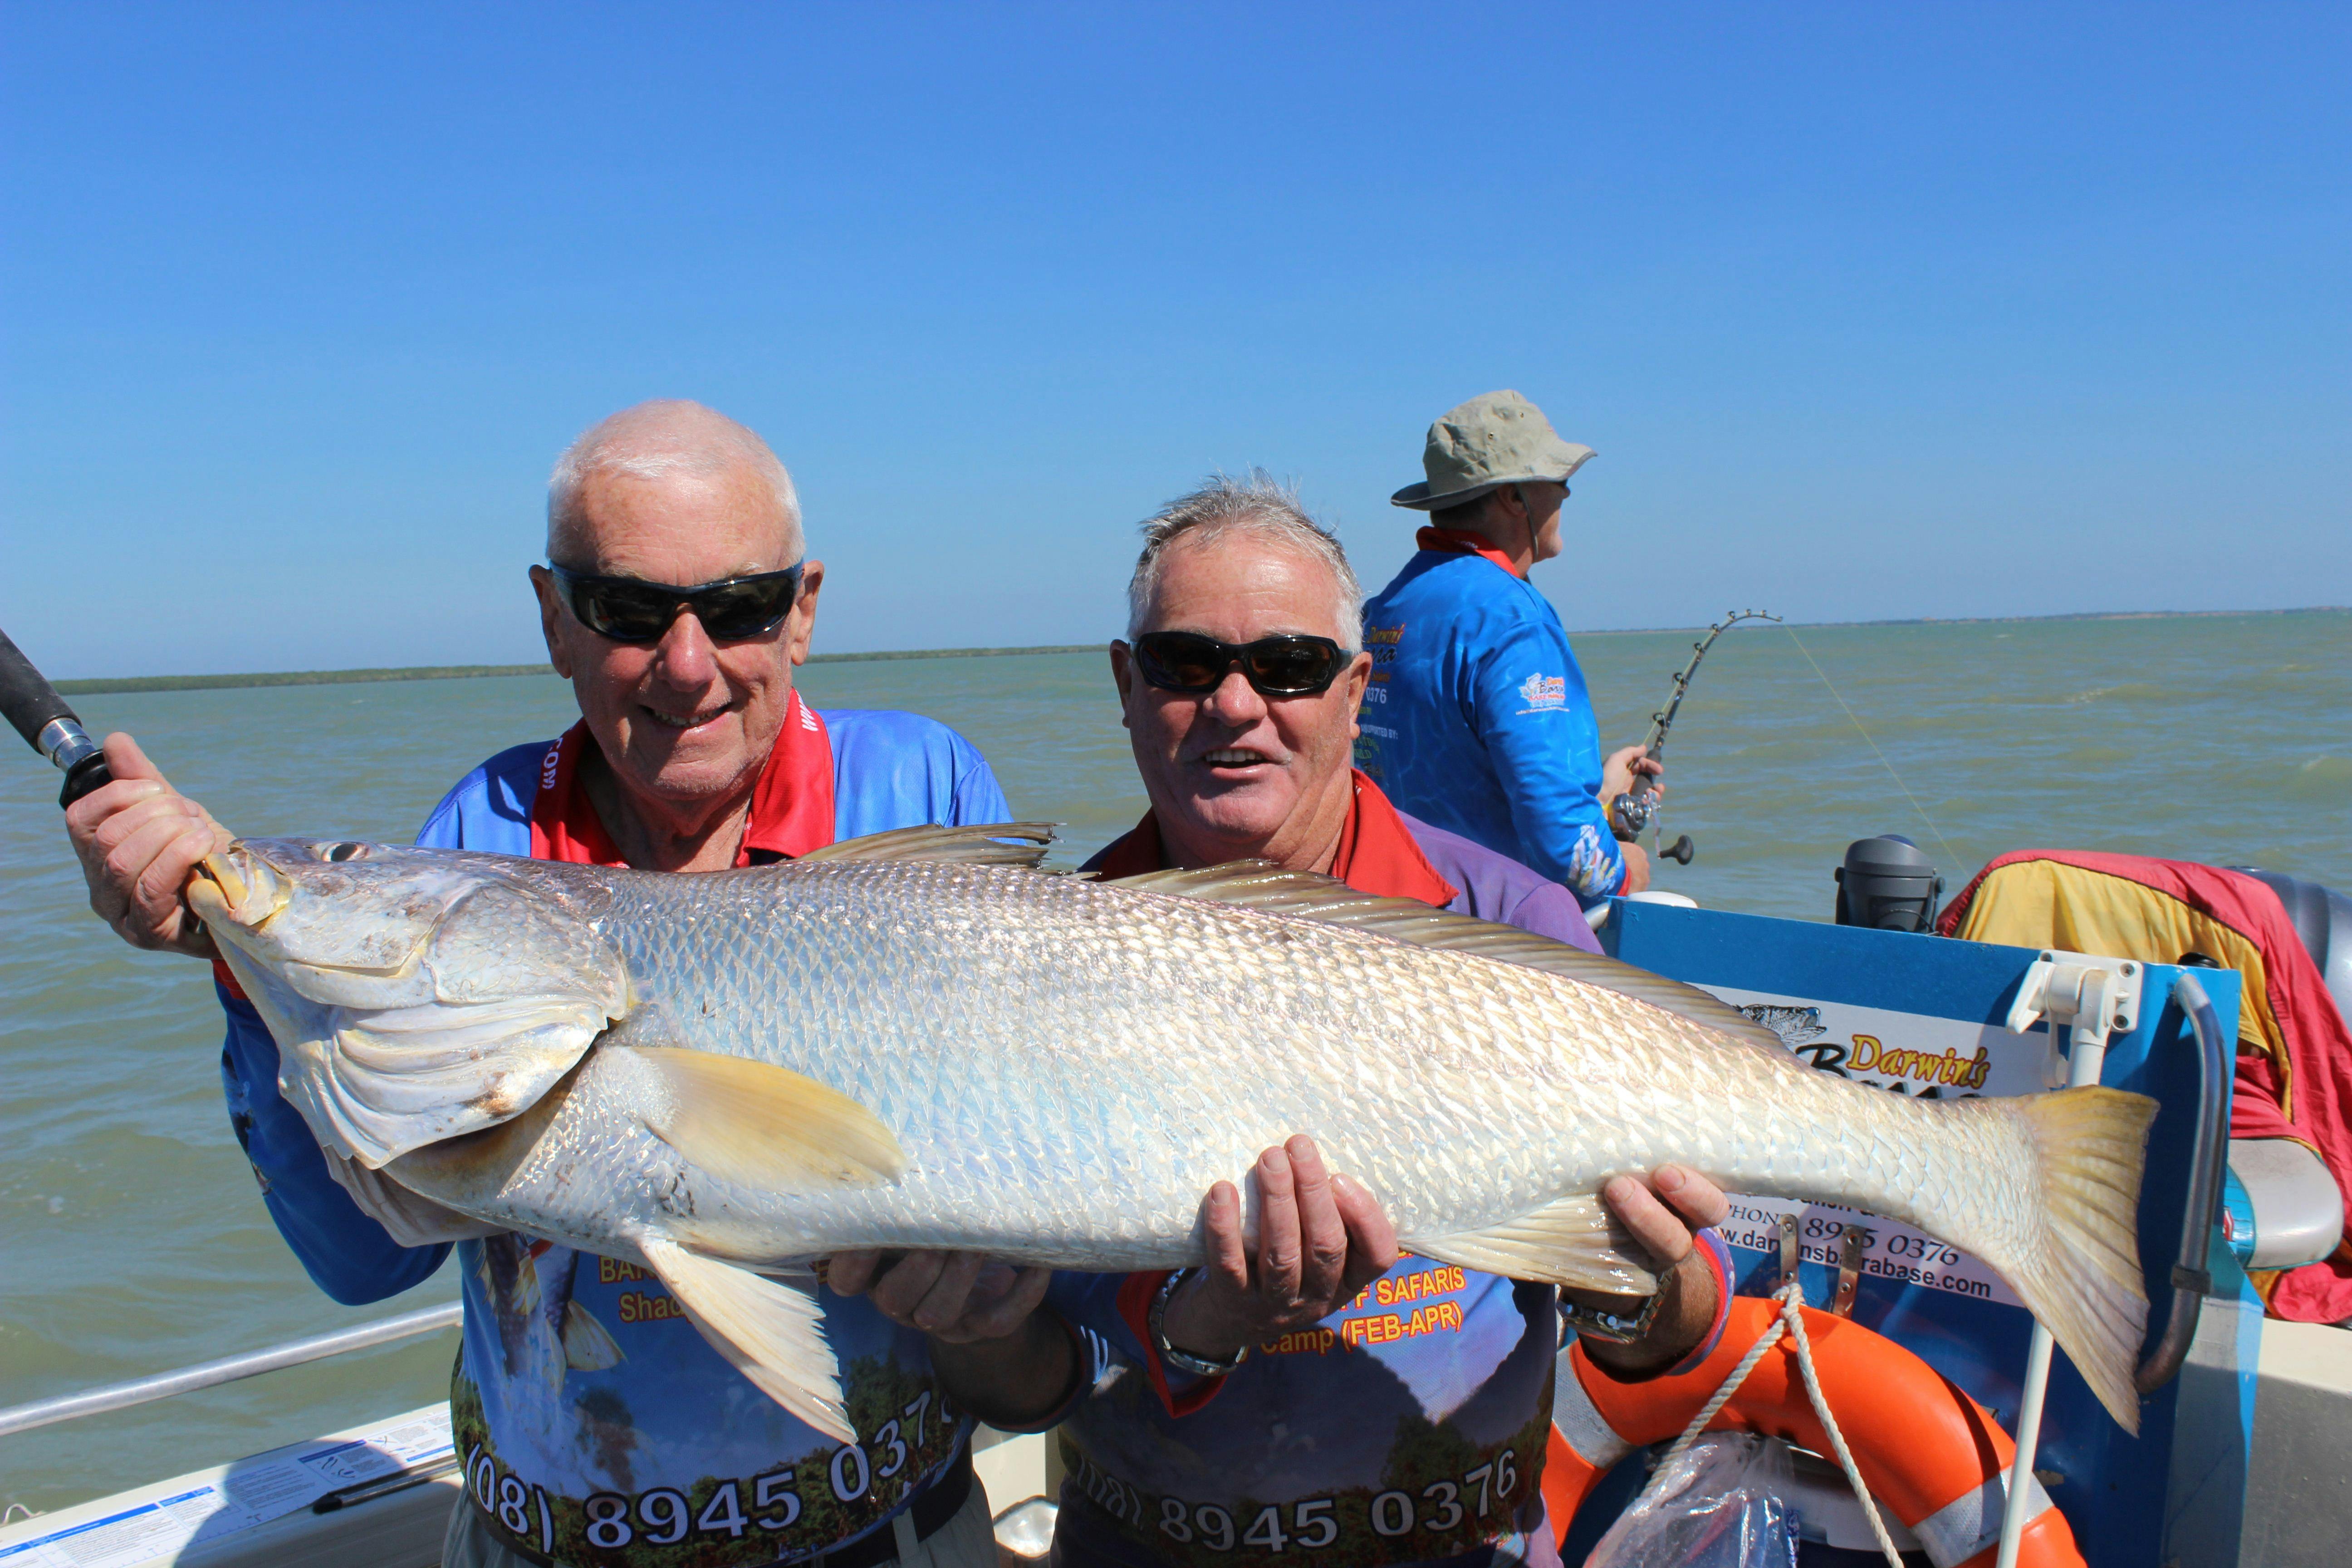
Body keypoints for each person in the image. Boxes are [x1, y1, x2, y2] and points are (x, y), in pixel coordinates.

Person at [65, 401, 1016, 1568]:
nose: (687, 662)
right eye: (626, 609)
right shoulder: (481, 835)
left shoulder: (924, 786)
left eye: (739, 606)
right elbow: (368, 1261)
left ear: (803, 609)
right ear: (555, 620)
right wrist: (247, 969)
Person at [836, 475, 1733, 1568]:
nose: (1233, 702)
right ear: (1125, 684)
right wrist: (972, 1321)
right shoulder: (1027, 954)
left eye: (1289, 666)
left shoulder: (1516, 918)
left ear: (1357, 689)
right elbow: (1030, 1384)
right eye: (1183, 662)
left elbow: (1674, 1334)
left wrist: (1641, 1279)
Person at [1357, 390, 1660, 916]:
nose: (1566, 495)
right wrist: (1625, 868)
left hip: (1395, 914)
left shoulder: (1382, 610)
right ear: (1515, 498)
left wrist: (1606, 790)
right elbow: (1564, 844)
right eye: (1558, 482)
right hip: (1488, 936)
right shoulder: (1513, 621)